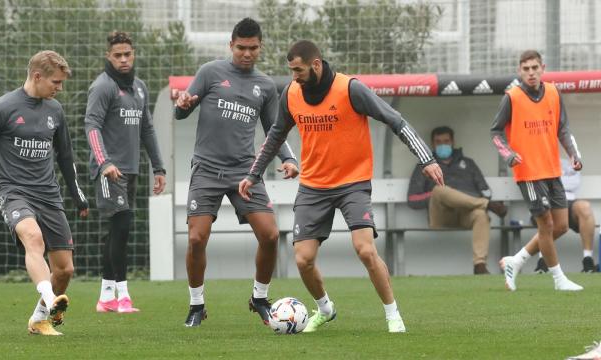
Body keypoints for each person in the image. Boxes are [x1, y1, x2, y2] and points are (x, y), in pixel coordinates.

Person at [239, 40, 444, 333]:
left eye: (298, 70)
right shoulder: (291, 94)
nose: (294, 76)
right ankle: (325, 309)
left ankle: (392, 315)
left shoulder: (350, 89)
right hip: (313, 186)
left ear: (317, 65)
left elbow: (395, 120)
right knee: (303, 259)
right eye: (291, 70)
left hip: (353, 184)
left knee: (364, 250)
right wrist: (253, 174)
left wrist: (426, 159)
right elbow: (274, 136)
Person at [172, 18, 299, 327]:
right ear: (231, 45)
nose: (246, 53)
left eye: (252, 48)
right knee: (196, 238)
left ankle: (259, 298)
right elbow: (181, 110)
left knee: (269, 235)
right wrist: (184, 103)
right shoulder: (210, 72)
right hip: (207, 168)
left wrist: (288, 158)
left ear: (260, 48)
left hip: (246, 172)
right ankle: (196, 305)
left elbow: (275, 129)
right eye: (241, 48)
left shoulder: (267, 85)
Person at [0, 50, 89, 335]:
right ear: (37, 76)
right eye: (56, 82)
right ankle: (51, 301)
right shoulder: (1, 109)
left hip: (48, 194)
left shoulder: (55, 111)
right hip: (13, 192)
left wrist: (77, 195)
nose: (59, 88)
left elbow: (65, 157)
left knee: (64, 270)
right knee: (33, 239)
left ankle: (39, 319)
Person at [85, 31, 166, 313]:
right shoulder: (102, 87)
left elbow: (147, 130)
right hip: (109, 172)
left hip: (130, 171)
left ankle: (106, 297)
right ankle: (123, 296)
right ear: (109, 56)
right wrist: (105, 162)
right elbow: (92, 126)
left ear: (133, 55)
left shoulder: (140, 87)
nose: (123, 59)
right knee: (122, 226)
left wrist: (158, 167)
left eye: (127, 54)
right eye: (117, 55)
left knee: (118, 232)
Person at [491, 49, 583, 291]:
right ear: (519, 71)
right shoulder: (512, 97)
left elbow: (562, 128)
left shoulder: (553, 92)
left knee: (561, 225)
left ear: (543, 67)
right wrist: (508, 155)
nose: (531, 73)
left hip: (552, 170)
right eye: (526, 69)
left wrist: (573, 154)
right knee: (546, 225)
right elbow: (496, 132)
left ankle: (516, 259)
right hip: (528, 173)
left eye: (534, 68)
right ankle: (558, 279)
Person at [408, 126, 508, 275]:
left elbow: (486, 191)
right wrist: (440, 195)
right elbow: (412, 199)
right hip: (441, 216)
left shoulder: (468, 163)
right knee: (440, 189)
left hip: (466, 214)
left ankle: (479, 265)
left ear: (453, 142)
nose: (443, 144)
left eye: (446, 141)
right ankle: (487, 206)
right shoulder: (424, 166)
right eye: (438, 142)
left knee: (481, 215)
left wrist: (462, 197)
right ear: (432, 144)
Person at [534, 158, 597, 273]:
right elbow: (540, 183)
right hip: (545, 200)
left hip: (569, 202)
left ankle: (588, 260)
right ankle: (542, 261)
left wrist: (557, 180)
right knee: (548, 208)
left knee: (585, 207)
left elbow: (575, 183)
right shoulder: (540, 155)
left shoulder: (573, 155)